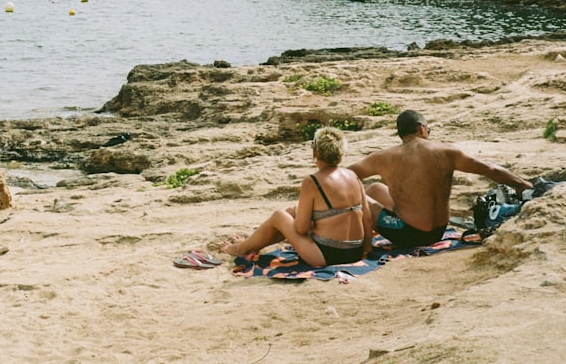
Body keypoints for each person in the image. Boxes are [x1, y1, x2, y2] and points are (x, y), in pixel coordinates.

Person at [349, 109, 532, 248]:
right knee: (375, 188)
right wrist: (521, 184)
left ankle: (357, 239)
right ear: (422, 129)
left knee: (361, 195)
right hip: (438, 232)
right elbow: (489, 168)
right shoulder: (447, 151)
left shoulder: (384, 157)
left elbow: (344, 176)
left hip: (407, 234)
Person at [219, 127, 372, 266]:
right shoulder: (353, 176)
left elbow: (301, 228)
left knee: (279, 216)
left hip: (327, 255)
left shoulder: (312, 181)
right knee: (293, 210)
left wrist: (306, 221)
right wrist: (366, 249)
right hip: (356, 251)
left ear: (315, 152)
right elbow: (367, 217)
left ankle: (240, 248)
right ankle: (251, 245)